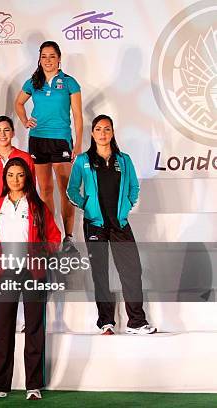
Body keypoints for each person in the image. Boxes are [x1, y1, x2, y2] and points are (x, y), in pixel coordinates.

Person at [0, 157, 61, 401]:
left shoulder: (37, 206)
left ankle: (33, 385)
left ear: (27, 177)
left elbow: (54, 237)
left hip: (33, 273)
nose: (15, 179)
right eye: (10, 175)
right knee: (4, 329)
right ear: (5, 178)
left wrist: (40, 253)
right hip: (4, 274)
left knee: (34, 328)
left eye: (20, 175)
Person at [67, 114, 157, 335]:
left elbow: (134, 187)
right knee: (100, 273)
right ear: (92, 133)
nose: (103, 133)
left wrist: (126, 207)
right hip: (95, 225)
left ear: (113, 132)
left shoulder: (124, 159)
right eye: (98, 129)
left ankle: (136, 322)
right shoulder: (83, 160)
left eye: (107, 129)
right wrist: (86, 205)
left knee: (132, 271)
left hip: (119, 223)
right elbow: (71, 190)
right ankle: (106, 322)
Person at [15, 40, 82, 250]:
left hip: (61, 139)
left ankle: (69, 237)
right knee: (44, 189)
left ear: (59, 59)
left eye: (52, 56)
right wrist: (25, 120)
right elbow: (18, 103)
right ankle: (49, 235)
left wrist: (78, 144)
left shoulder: (70, 83)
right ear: (39, 59)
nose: (48, 60)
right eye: (44, 56)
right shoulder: (33, 82)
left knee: (65, 189)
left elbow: (78, 116)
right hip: (38, 140)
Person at [0, 116, 35, 334]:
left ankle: (29, 321)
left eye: (7, 130)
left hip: (20, 215)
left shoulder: (24, 157)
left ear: (13, 133)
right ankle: (1, 320)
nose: (2, 134)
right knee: (0, 271)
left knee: (28, 274)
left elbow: (32, 187)